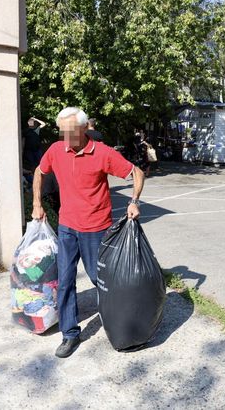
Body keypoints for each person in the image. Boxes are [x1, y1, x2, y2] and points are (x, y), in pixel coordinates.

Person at [32, 107, 145, 358]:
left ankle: (121, 324)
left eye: (70, 132)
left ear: (84, 129)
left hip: (96, 228)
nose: (65, 137)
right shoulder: (56, 150)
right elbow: (40, 171)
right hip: (67, 227)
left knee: (100, 280)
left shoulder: (102, 153)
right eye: (62, 132)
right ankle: (70, 334)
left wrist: (134, 201)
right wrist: (37, 204)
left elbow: (136, 172)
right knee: (65, 281)